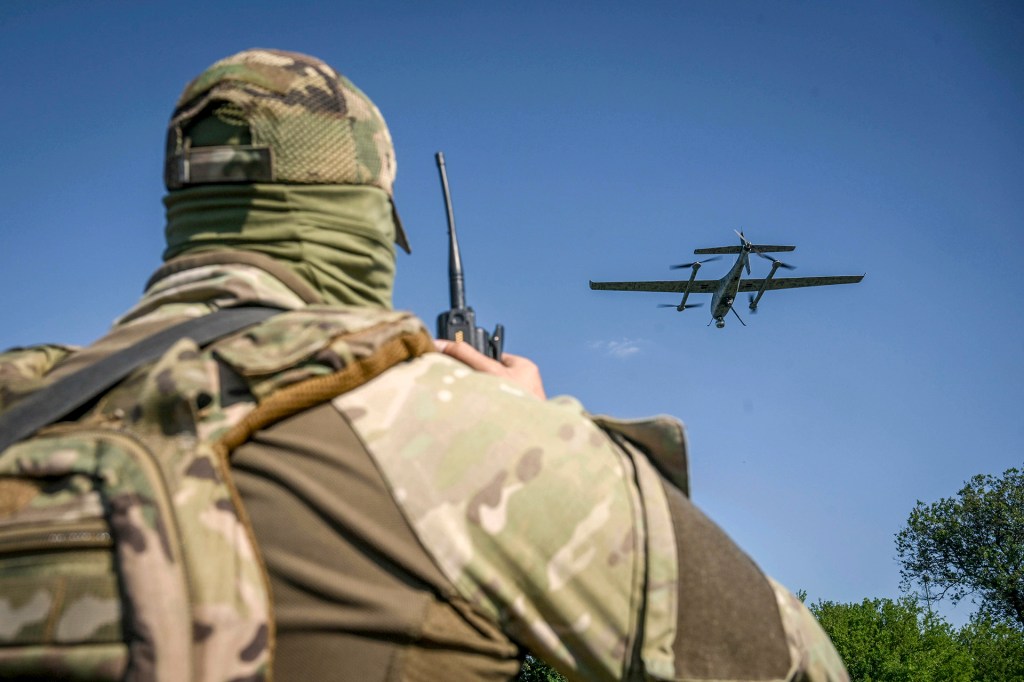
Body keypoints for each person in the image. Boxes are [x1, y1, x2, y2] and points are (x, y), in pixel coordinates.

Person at [0, 48, 847, 681]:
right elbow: (795, 667)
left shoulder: (22, 404)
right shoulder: (464, 433)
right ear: (364, 222)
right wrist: (548, 436)